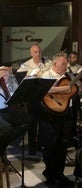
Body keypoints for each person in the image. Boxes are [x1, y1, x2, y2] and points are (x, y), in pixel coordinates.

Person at [39, 52, 74, 186]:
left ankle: (60, 173)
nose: (66, 66)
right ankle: (49, 173)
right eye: (63, 64)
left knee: (63, 144)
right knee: (50, 144)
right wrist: (63, 88)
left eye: (66, 64)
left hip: (66, 112)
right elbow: (44, 90)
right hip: (50, 114)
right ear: (54, 64)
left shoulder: (67, 76)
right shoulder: (46, 75)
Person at [17, 44, 52, 156]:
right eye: (35, 52)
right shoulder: (25, 65)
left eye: (39, 52)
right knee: (32, 123)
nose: (37, 54)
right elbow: (19, 79)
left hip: (47, 97)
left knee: (44, 123)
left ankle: (41, 145)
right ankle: (32, 146)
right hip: (33, 98)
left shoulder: (48, 63)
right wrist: (31, 75)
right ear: (31, 53)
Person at [0, 66, 31, 164]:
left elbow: (16, 93)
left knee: (27, 119)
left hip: (6, 110)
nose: (4, 75)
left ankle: (3, 145)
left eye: (5, 73)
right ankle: (2, 151)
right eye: (2, 73)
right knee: (7, 128)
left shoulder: (7, 81)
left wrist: (11, 79)